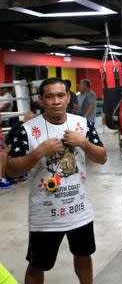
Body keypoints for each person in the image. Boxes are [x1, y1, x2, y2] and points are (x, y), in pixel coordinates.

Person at [5, 78, 107, 284]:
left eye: (61, 95)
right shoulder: (25, 130)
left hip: (79, 211)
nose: (56, 101)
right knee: (37, 264)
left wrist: (83, 143)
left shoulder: (82, 124)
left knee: (84, 256)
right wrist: (39, 152)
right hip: (44, 215)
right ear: (41, 100)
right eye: (50, 96)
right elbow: (11, 170)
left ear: (68, 97)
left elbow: (102, 157)